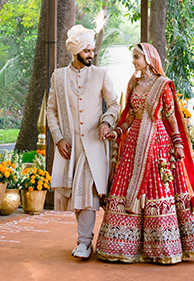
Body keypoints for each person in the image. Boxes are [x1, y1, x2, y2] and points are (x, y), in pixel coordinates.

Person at [95, 42, 194, 264]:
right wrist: (117, 132)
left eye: (137, 57)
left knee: (157, 189)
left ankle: (162, 248)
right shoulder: (133, 83)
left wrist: (177, 143)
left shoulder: (163, 84)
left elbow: (170, 116)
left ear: (148, 59)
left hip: (157, 143)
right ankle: (124, 247)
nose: (133, 61)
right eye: (133, 57)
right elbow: (129, 116)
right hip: (134, 142)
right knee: (127, 186)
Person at [46, 24, 121, 259]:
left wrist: (106, 122)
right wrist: (58, 138)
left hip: (94, 145)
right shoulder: (59, 77)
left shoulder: (101, 74)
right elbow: (51, 111)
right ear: (76, 51)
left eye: (92, 51)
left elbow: (115, 104)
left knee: (86, 192)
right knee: (76, 194)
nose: (91, 55)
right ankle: (84, 240)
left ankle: (84, 242)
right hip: (70, 147)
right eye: (87, 51)